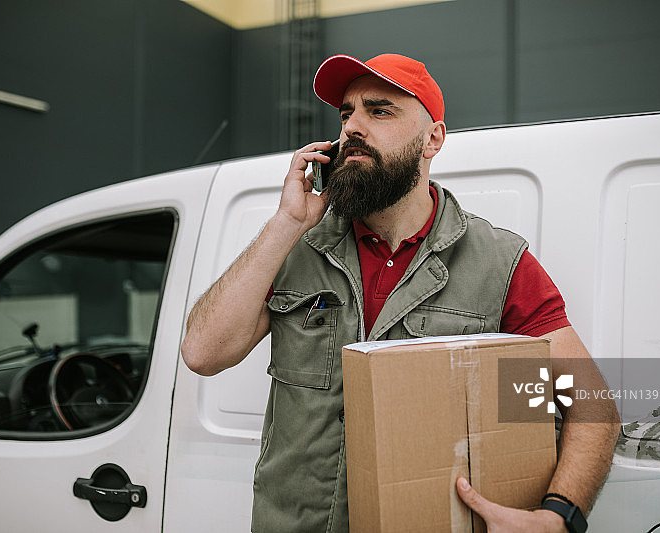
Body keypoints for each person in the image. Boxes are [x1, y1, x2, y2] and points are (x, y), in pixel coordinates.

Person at [182, 53, 620, 533]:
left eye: (380, 111)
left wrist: (558, 518)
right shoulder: (294, 248)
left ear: (433, 139)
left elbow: (592, 405)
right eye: (346, 113)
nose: (352, 127)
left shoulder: (500, 263)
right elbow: (203, 352)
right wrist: (288, 222)